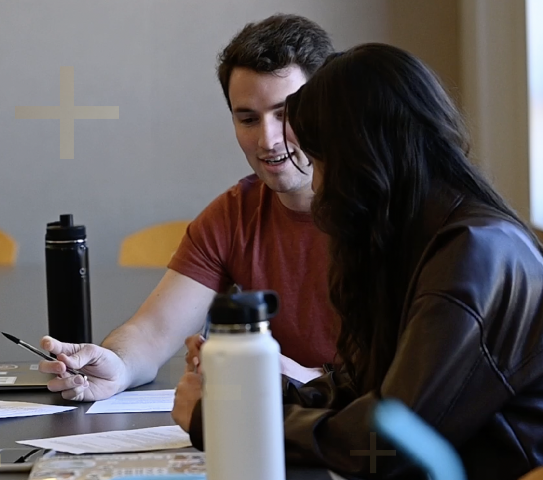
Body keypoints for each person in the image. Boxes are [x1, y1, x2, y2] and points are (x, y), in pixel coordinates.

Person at [177, 44, 543, 479]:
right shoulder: (432, 240)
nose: (317, 182)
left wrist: (227, 423)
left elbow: (385, 445)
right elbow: (364, 388)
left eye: (317, 161)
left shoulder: (475, 255)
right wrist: (250, 391)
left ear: (362, 159)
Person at [40, 13, 340, 401]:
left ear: (325, 110)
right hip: (275, 429)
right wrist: (116, 364)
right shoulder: (234, 214)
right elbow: (152, 331)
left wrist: (307, 378)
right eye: (247, 118)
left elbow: (417, 375)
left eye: (285, 114)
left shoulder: (385, 211)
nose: (267, 139)